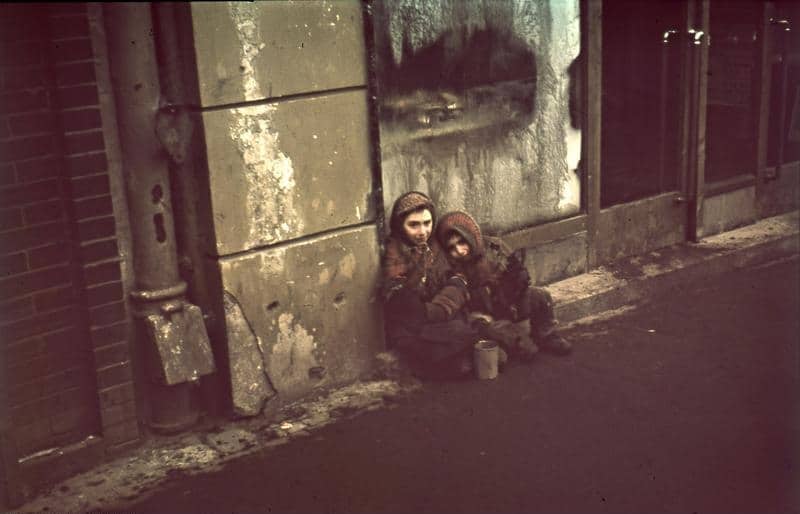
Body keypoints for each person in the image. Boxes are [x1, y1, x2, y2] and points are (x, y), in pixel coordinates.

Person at [381, 192, 496, 378]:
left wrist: (443, 305)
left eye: (427, 223)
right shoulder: (394, 253)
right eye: (413, 225)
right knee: (456, 337)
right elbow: (398, 298)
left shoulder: (437, 245)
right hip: (415, 325)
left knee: (466, 332)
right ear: (400, 226)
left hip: (442, 314)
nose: (422, 231)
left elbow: (457, 280)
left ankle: (455, 360)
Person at [436, 210, 572, 361]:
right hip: (486, 316)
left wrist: (520, 305)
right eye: (452, 248)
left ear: (470, 237)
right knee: (527, 351)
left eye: (462, 242)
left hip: (509, 303)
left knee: (541, 295)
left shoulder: (494, 249)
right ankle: (513, 343)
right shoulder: (453, 269)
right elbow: (463, 303)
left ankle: (547, 336)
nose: (459, 251)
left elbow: (520, 278)